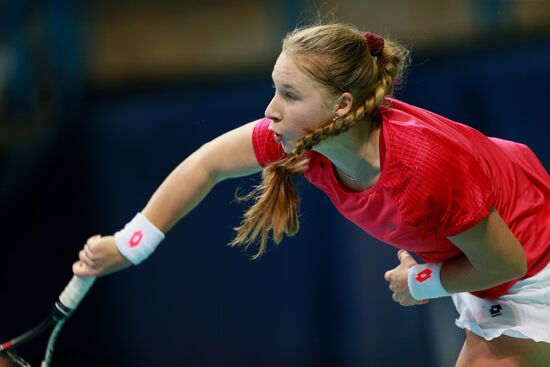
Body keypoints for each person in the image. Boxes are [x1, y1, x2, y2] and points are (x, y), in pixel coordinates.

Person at [72, 23, 550, 366]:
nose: (270, 110)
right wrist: (130, 245)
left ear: (341, 106)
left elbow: (505, 261)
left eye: (289, 94)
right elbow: (207, 164)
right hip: (486, 248)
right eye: (274, 90)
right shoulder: (306, 139)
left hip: (530, 259)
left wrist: (421, 281)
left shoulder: (422, 167)